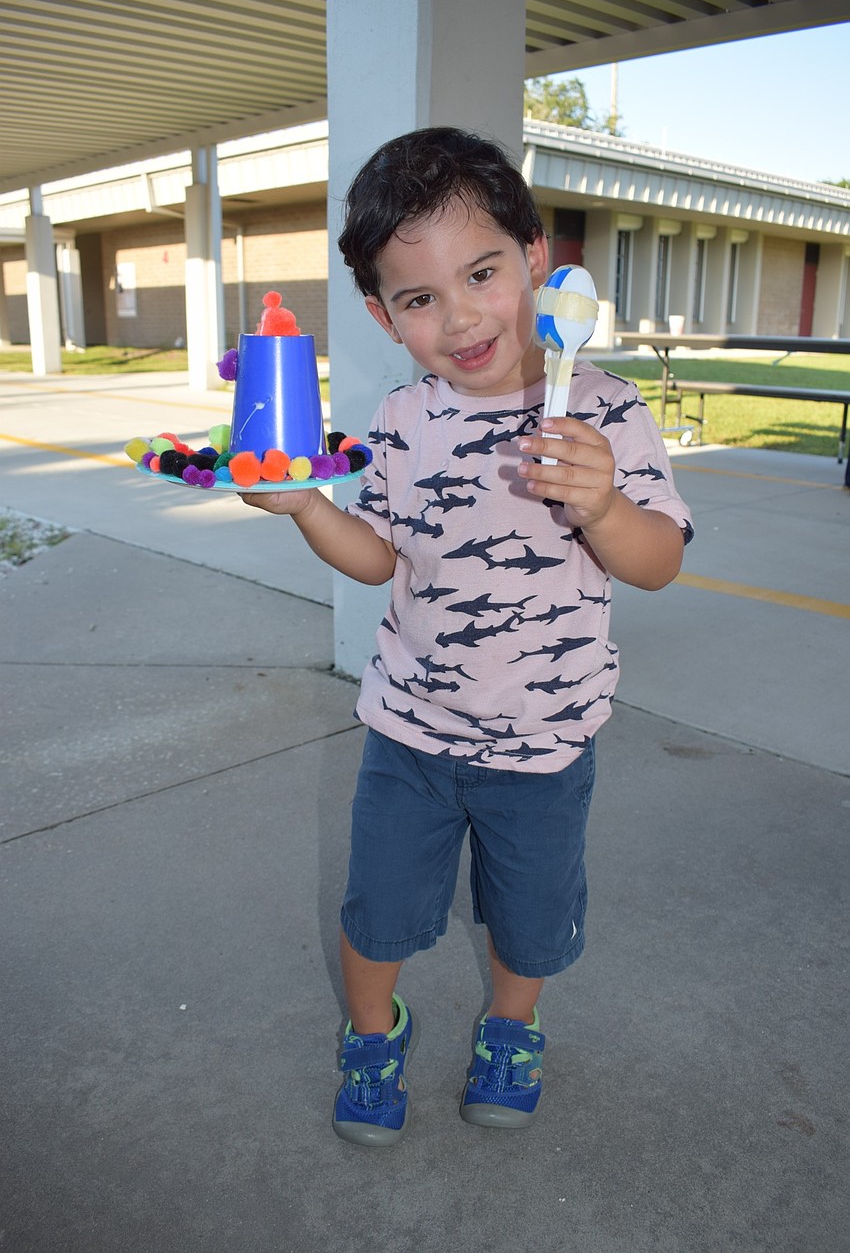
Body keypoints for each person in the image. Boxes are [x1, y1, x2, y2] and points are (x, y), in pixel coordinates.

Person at [242, 127, 693, 1147]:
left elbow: (657, 560)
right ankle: (371, 1034)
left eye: (481, 272)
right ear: (382, 316)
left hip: (546, 745)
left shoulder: (607, 411)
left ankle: (510, 1027)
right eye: (419, 298)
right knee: (377, 912)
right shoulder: (404, 418)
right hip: (409, 735)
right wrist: (310, 509)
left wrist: (603, 504)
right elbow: (379, 558)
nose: (459, 316)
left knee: (529, 922)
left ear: (535, 256)